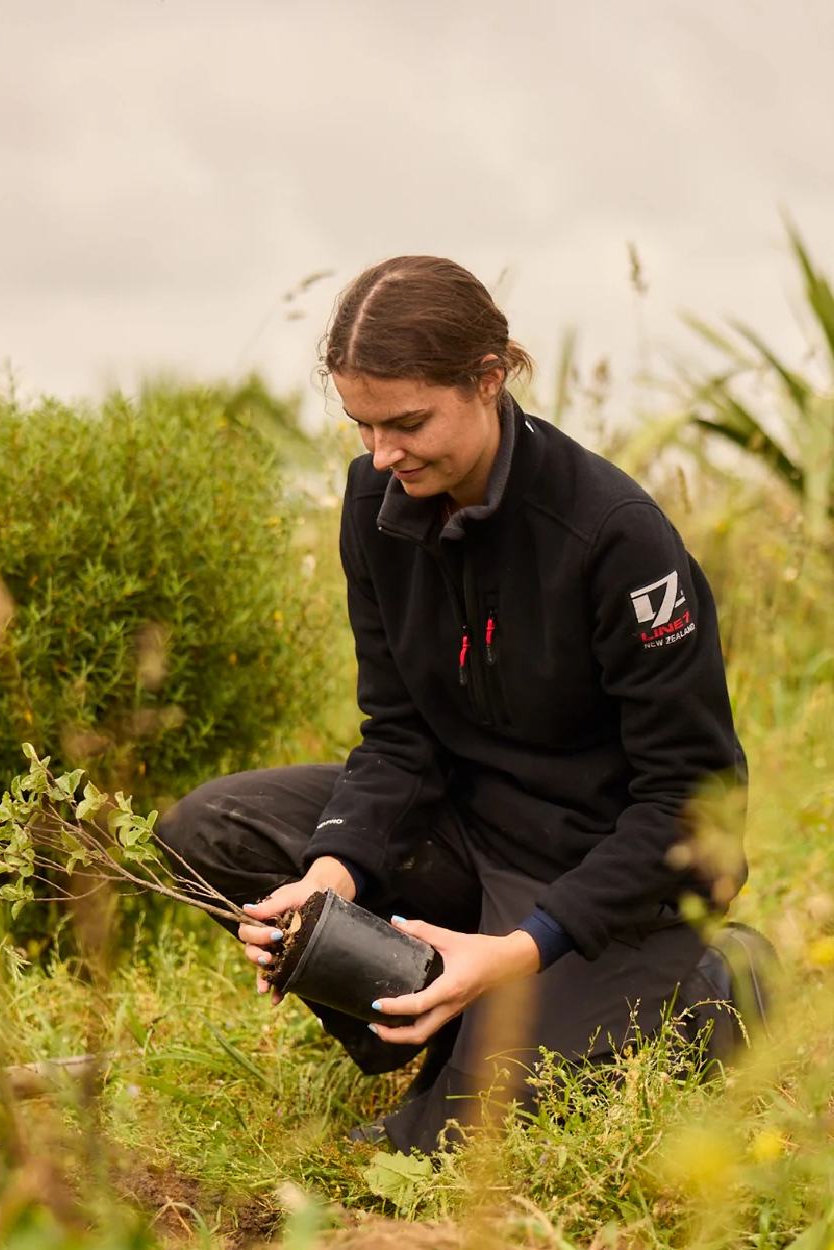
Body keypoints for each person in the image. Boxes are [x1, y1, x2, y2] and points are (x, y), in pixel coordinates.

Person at [159, 255, 759, 1155]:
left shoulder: (615, 536)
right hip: (467, 834)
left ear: (489, 379)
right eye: (361, 424)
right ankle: (438, 1019)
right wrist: (330, 883)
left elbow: (692, 803)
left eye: (406, 423)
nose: (381, 455)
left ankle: (721, 980)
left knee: (451, 1146)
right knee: (211, 832)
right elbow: (398, 735)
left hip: (604, 869)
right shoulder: (376, 502)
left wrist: (523, 947)